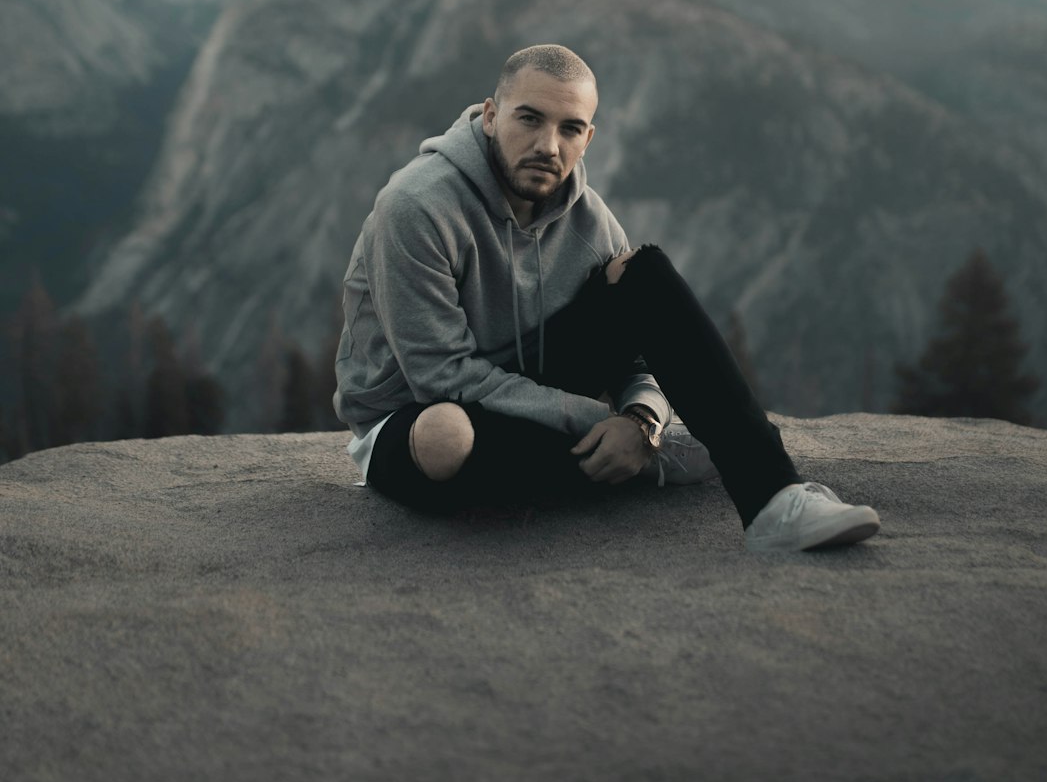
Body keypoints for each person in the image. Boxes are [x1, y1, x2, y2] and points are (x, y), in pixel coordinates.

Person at [333, 44, 881, 553]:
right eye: (530, 118)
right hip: (418, 410)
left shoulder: (589, 221)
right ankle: (646, 463)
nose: (549, 146)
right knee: (445, 438)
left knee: (643, 274)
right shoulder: (417, 207)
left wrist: (641, 421)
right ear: (491, 115)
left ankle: (774, 498)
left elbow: (643, 357)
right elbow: (441, 374)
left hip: (534, 397)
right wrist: (598, 420)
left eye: (569, 128)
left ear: (588, 138)